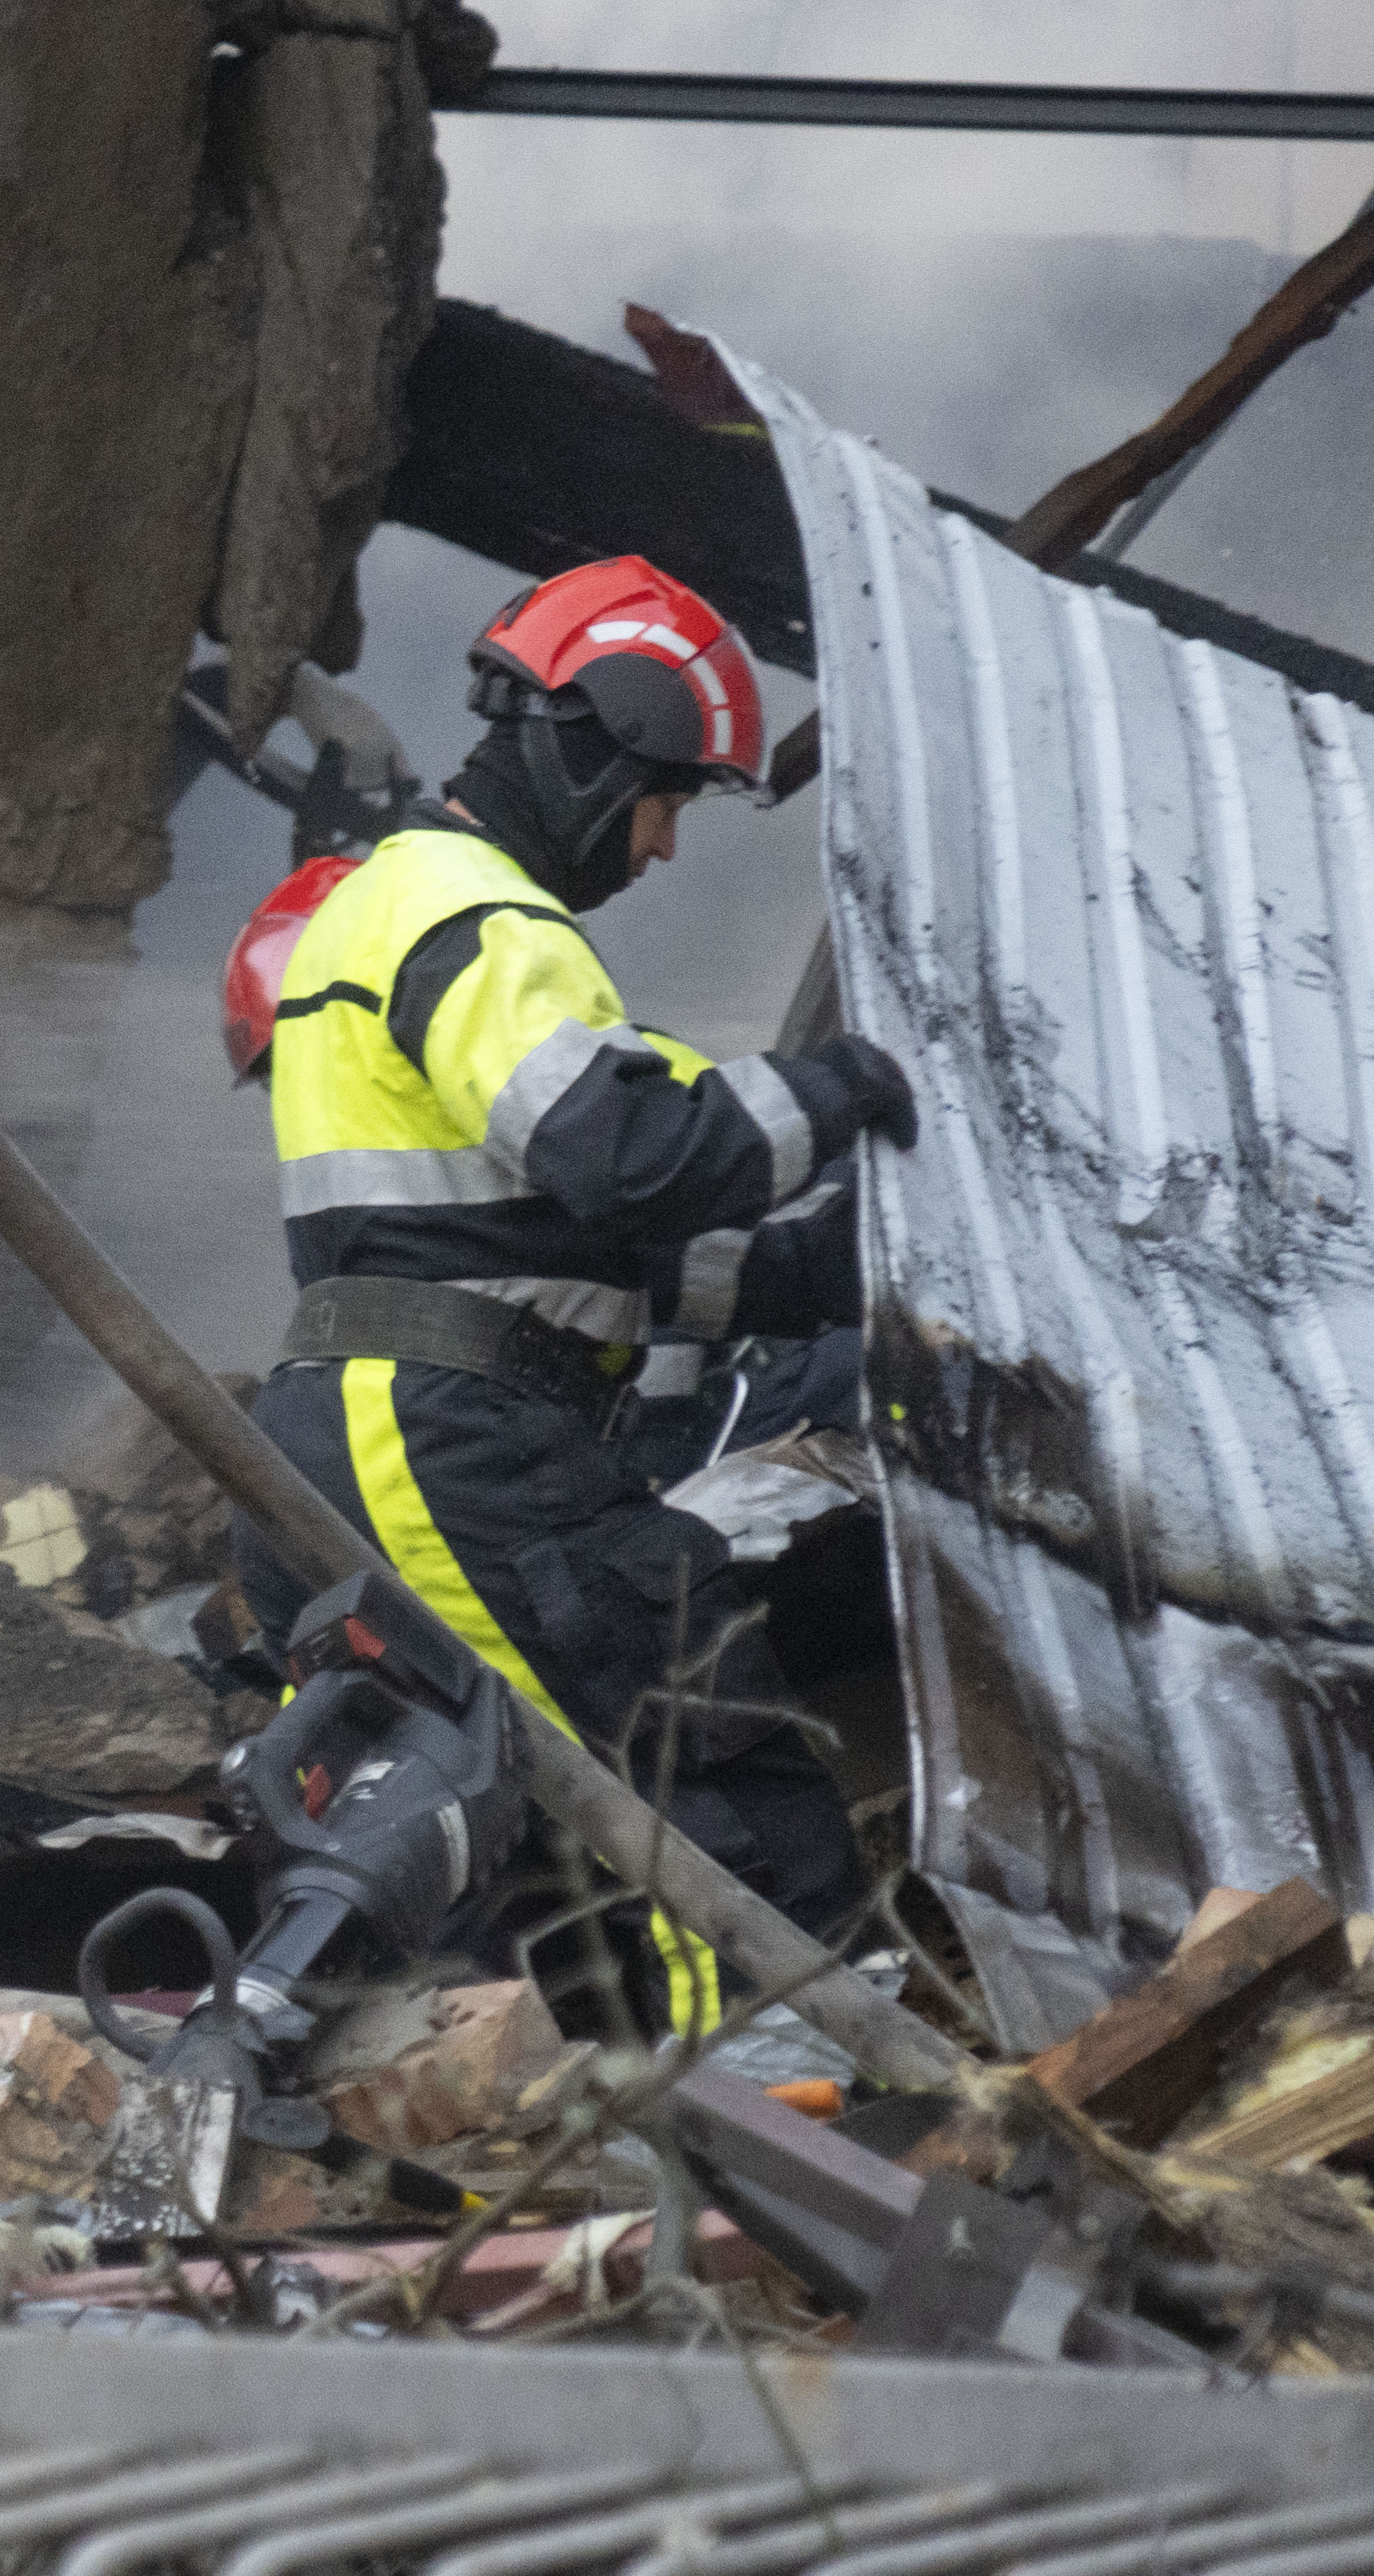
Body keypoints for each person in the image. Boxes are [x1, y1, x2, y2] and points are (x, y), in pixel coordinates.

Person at [233, 556, 913, 2028]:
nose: (660, 848)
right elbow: (632, 1159)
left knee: (521, 1872)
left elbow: (600, 1255)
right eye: (667, 801)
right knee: (705, 1809)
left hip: (385, 1424)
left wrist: (851, 1264)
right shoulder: (471, 913)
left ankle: (579, 2126)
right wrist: (852, 1084)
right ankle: (806, 2124)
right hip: (446, 1441)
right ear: (600, 738)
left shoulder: (408, 912)